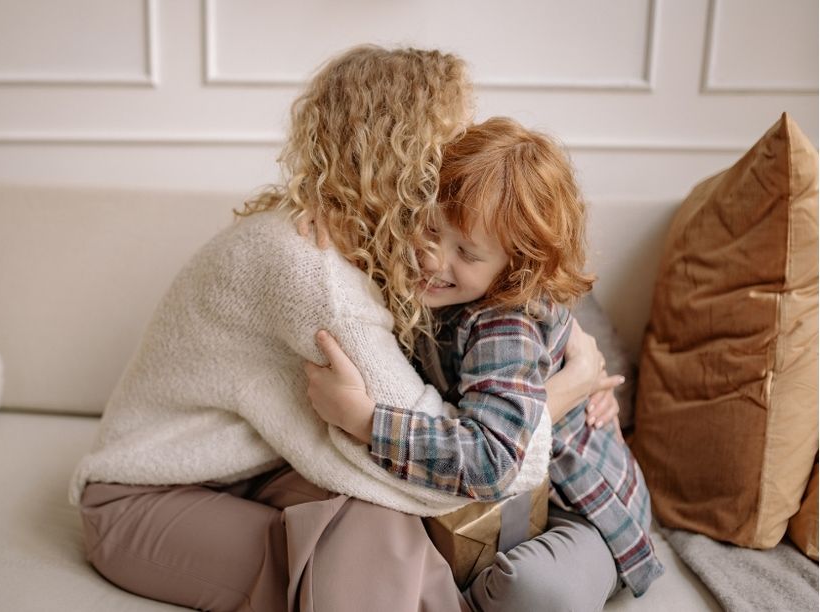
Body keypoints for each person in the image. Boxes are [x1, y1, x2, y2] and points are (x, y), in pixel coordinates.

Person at [70, 46, 607, 612]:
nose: (465, 155)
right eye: (454, 139)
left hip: (261, 471)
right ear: (405, 158)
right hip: (143, 498)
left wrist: (559, 347)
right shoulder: (317, 273)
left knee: (380, 525)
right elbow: (453, 465)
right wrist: (565, 391)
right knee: (363, 538)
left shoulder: (372, 246)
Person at [305, 117, 664, 611]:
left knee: (533, 591)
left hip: (579, 504)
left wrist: (365, 421)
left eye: (467, 253)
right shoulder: (426, 280)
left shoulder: (505, 325)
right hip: (496, 512)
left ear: (513, 268)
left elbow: (492, 461)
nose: (433, 259)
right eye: (430, 228)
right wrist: (329, 212)